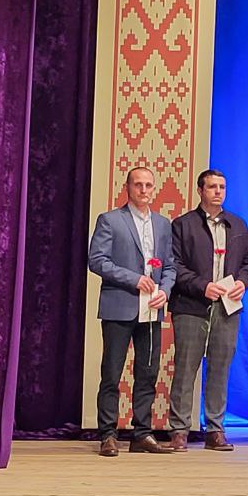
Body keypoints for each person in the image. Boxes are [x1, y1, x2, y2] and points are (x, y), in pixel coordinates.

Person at [86, 166, 176, 456]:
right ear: (127, 187)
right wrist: (134, 279)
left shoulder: (163, 224)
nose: (144, 190)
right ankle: (108, 434)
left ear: (154, 188)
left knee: (148, 373)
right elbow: (97, 260)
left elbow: (170, 265)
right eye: (138, 184)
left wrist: (165, 290)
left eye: (148, 185)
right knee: (112, 373)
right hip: (120, 305)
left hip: (151, 309)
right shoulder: (110, 220)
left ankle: (142, 433)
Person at [168, 168, 248, 452]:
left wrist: (243, 282)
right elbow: (174, 265)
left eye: (222, 187)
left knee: (220, 368)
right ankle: (179, 430)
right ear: (200, 190)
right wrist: (202, 285)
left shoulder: (237, 225)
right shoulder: (183, 224)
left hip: (227, 307)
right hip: (191, 305)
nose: (218, 192)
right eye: (212, 187)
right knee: (185, 369)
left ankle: (215, 429)